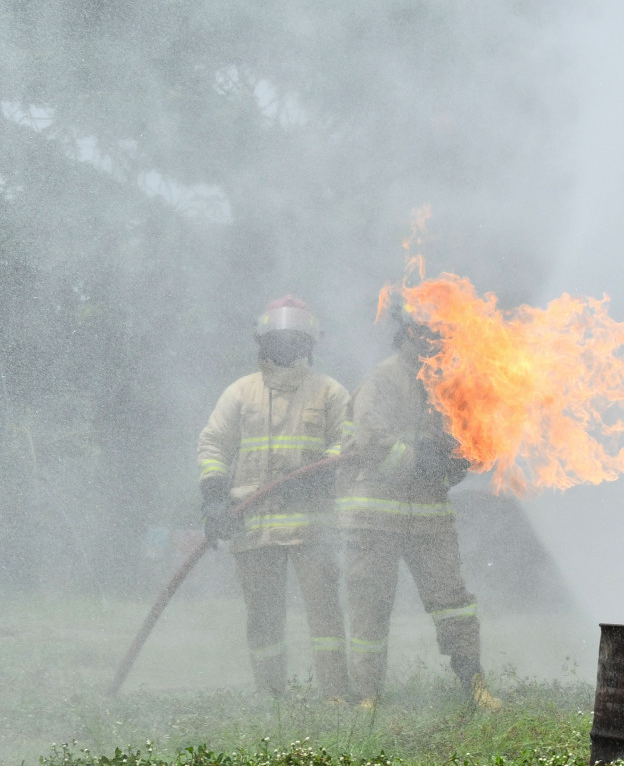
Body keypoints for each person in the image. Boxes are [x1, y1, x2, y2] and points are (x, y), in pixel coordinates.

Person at [338, 307, 500, 710]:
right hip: (375, 518)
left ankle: (474, 684)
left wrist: (459, 462)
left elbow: (463, 447)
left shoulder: (448, 386)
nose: (438, 346)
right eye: (431, 336)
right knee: (370, 607)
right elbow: (372, 441)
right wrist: (418, 460)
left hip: (429, 518)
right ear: (410, 335)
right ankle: (367, 695)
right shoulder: (383, 380)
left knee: (454, 602)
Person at [197, 296, 351, 700]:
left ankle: (335, 696)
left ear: (309, 343)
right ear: (262, 341)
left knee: (325, 615)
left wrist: (317, 478)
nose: (286, 345)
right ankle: (272, 699)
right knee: (263, 620)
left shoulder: (330, 392)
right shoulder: (240, 393)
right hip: (253, 523)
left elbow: (347, 446)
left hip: (311, 525)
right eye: (278, 338)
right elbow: (213, 445)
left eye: (294, 338)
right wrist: (214, 497)